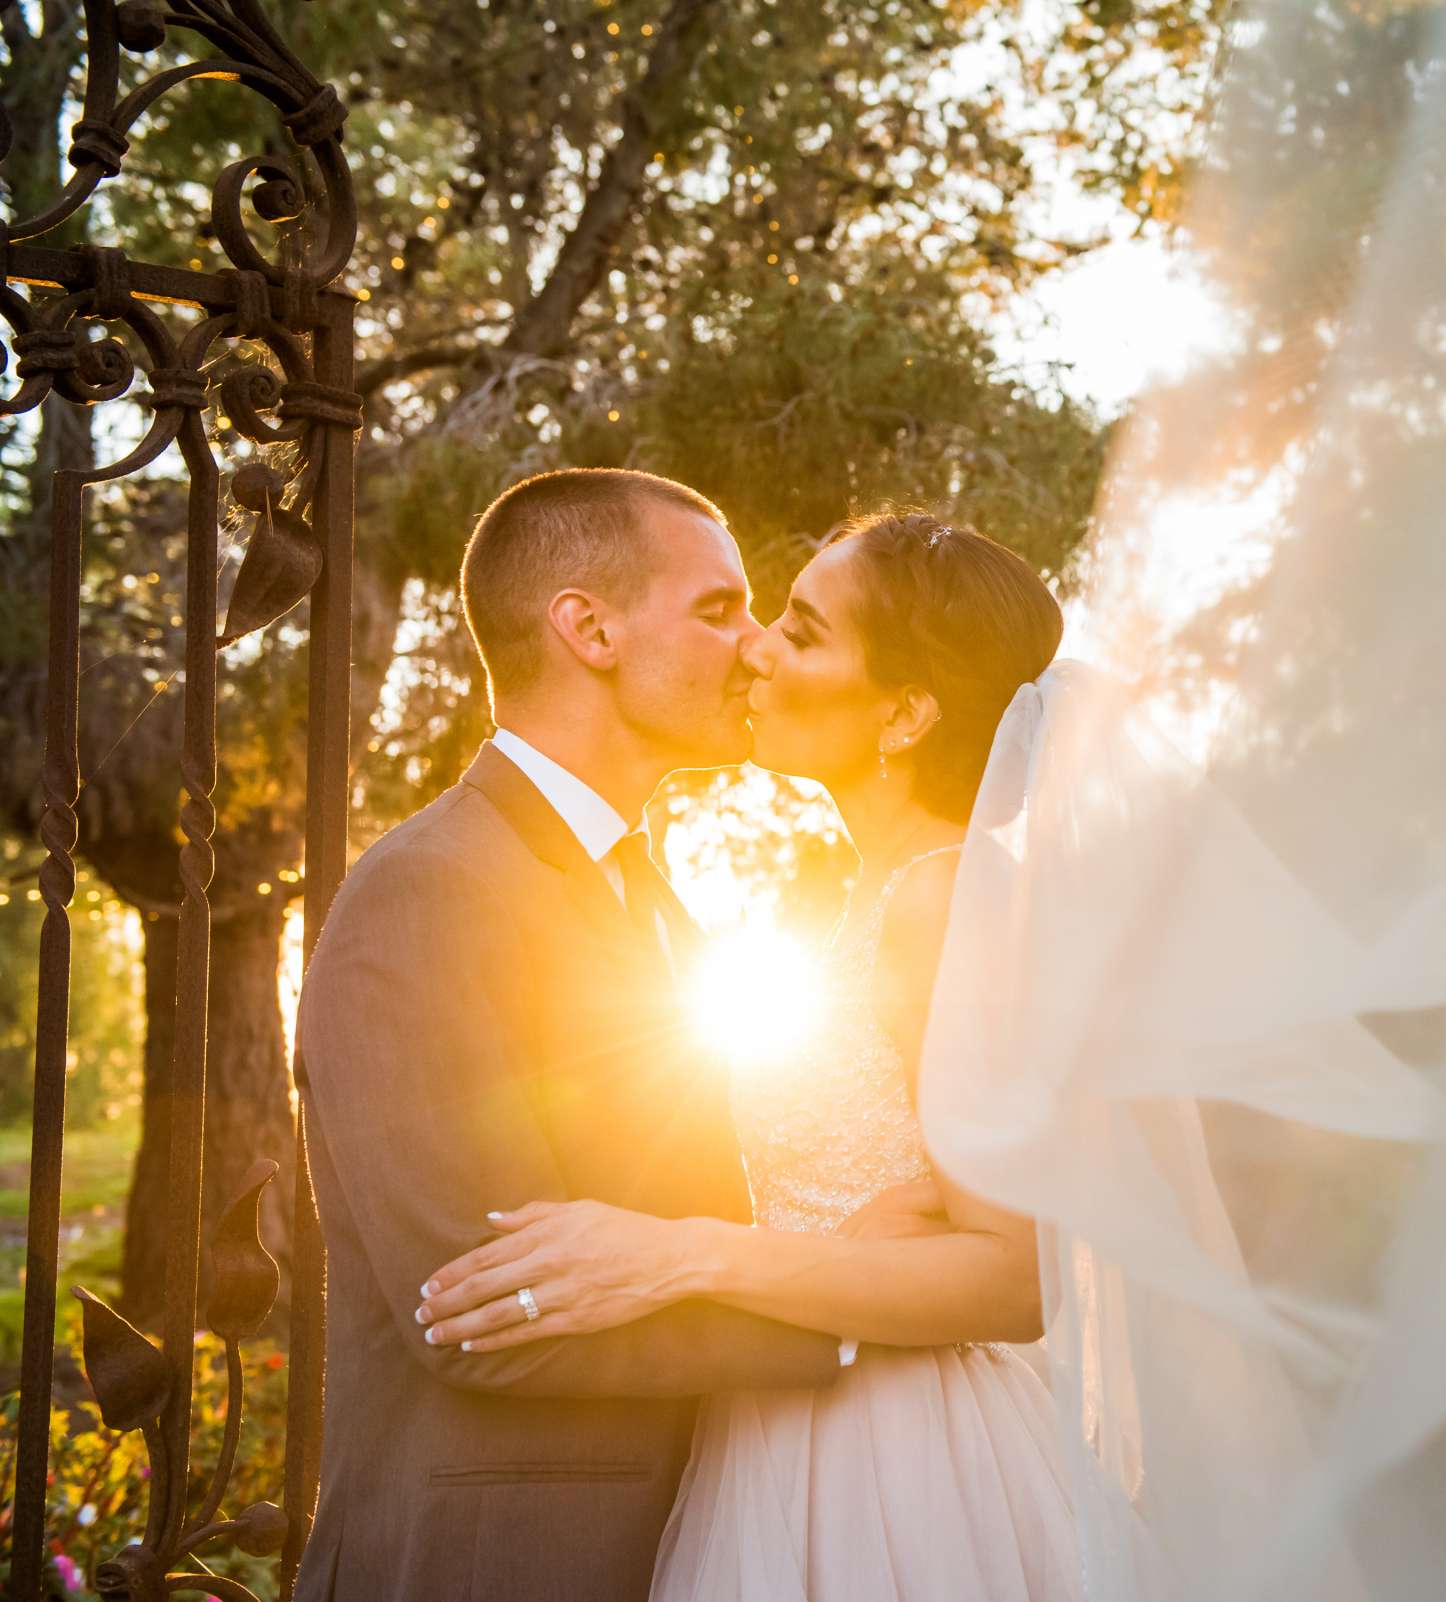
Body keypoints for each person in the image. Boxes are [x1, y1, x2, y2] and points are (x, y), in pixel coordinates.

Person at [414, 510, 1089, 1602]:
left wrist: (687, 1255)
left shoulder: (935, 898)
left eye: (803, 632)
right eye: (762, 614)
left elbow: (1018, 1277)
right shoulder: (869, 894)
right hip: (788, 1421)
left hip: (897, 1461)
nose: (757, 650)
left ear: (906, 713)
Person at [292, 469, 842, 1602]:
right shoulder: (427, 890)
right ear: (587, 628)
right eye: (718, 607)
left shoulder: (648, 890)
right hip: (497, 1563)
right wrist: (847, 1315)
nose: (753, 647)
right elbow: (485, 1314)